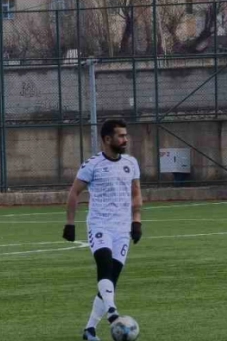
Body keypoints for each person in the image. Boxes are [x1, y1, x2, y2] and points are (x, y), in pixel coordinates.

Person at [62, 119, 143, 341]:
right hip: (100, 225)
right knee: (104, 266)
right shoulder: (92, 165)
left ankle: (89, 330)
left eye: (126, 135)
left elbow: (136, 192)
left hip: (122, 229)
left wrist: (136, 221)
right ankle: (113, 313)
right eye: (121, 136)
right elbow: (74, 192)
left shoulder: (131, 163)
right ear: (107, 139)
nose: (125, 140)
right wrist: (70, 223)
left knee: (111, 279)